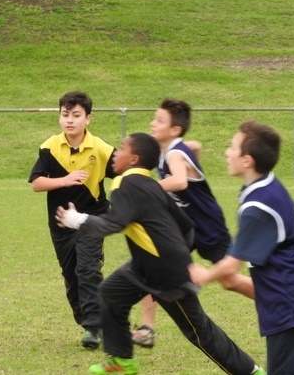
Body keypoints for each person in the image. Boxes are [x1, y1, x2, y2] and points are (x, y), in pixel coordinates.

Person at [56, 132, 266, 375]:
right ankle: (123, 360)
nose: (116, 154)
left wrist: (77, 219)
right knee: (110, 293)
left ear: (133, 159)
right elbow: (186, 224)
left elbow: (115, 223)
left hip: (165, 270)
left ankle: (250, 371)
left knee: (199, 331)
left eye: (122, 149)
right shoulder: (152, 186)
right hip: (145, 265)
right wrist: (179, 253)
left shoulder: (125, 183)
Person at [189, 120, 294, 375]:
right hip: (292, 296)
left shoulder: (257, 207)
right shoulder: (266, 186)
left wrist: (202, 276)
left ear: (247, 160)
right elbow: (292, 227)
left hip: (291, 300)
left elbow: (233, 264)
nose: (227, 152)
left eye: (232, 147)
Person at [133, 98, 251, 348]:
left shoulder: (175, 153)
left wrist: (146, 187)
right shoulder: (172, 150)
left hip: (209, 226)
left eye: (160, 120)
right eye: (155, 118)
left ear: (175, 130)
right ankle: (147, 329)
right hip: (184, 228)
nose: (153, 123)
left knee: (229, 281)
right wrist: (194, 156)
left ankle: (279, 302)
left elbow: (179, 182)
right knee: (150, 262)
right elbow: (194, 145)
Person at [29, 91, 117, 349]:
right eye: (65, 115)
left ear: (88, 119)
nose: (70, 120)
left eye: (76, 115)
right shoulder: (49, 147)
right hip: (60, 223)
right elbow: (36, 183)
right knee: (71, 274)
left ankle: (93, 327)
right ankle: (89, 320)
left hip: (93, 219)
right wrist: (65, 180)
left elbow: (125, 171)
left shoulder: (101, 148)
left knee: (87, 269)